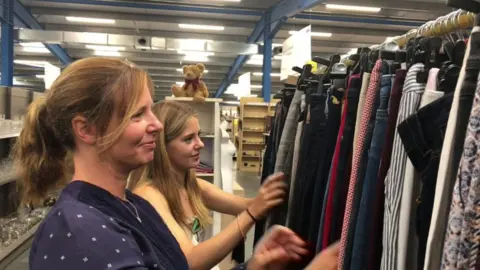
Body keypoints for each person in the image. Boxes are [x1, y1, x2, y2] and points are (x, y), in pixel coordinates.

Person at [13, 57, 333, 270]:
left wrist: (254, 265)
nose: (158, 125)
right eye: (138, 114)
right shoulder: (82, 232)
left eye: (151, 111)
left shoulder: (129, 208)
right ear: (86, 129)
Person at [129, 101, 287, 269]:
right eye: (188, 139)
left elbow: (246, 205)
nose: (201, 144)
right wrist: (251, 214)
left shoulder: (190, 184)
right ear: (163, 147)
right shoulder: (148, 195)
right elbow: (189, 261)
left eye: (199, 135)